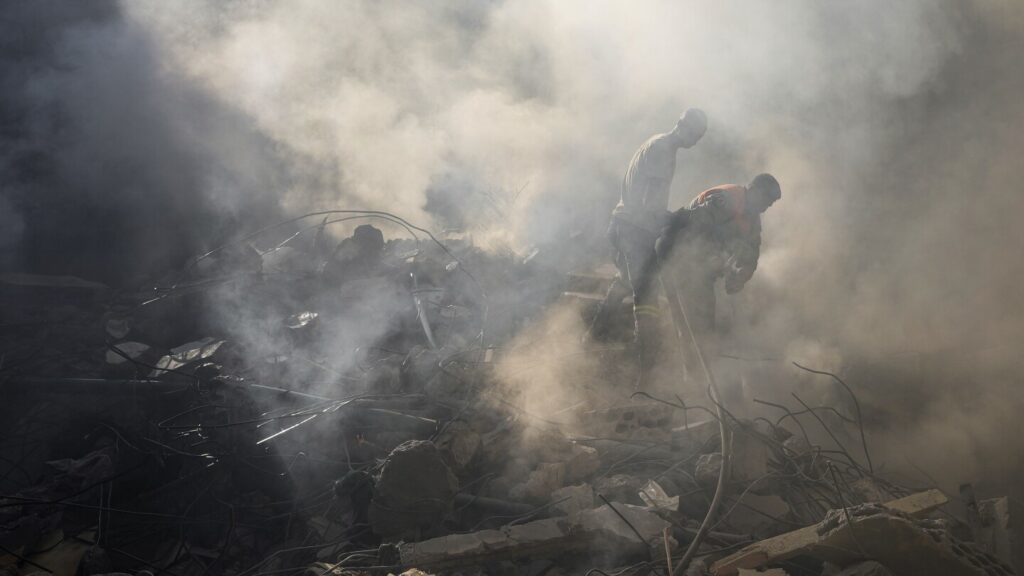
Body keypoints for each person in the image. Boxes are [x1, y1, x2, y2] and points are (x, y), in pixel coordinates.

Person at [587, 108, 707, 388]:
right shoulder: (663, 151)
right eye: (693, 133)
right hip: (633, 229)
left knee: (626, 281)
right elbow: (649, 203)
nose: (694, 141)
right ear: (681, 124)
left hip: (627, 226)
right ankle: (646, 371)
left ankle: (595, 334)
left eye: (699, 138)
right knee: (647, 298)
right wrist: (676, 218)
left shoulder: (658, 144)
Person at [658, 173, 781, 354]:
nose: (765, 209)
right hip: (677, 256)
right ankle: (693, 375)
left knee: (705, 322)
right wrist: (715, 260)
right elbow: (693, 230)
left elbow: (751, 256)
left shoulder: (752, 220)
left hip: (702, 269)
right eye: (766, 201)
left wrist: (739, 279)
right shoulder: (726, 199)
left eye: (770, 205)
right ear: (755, 191)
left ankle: (701, 372)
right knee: (691, 324)